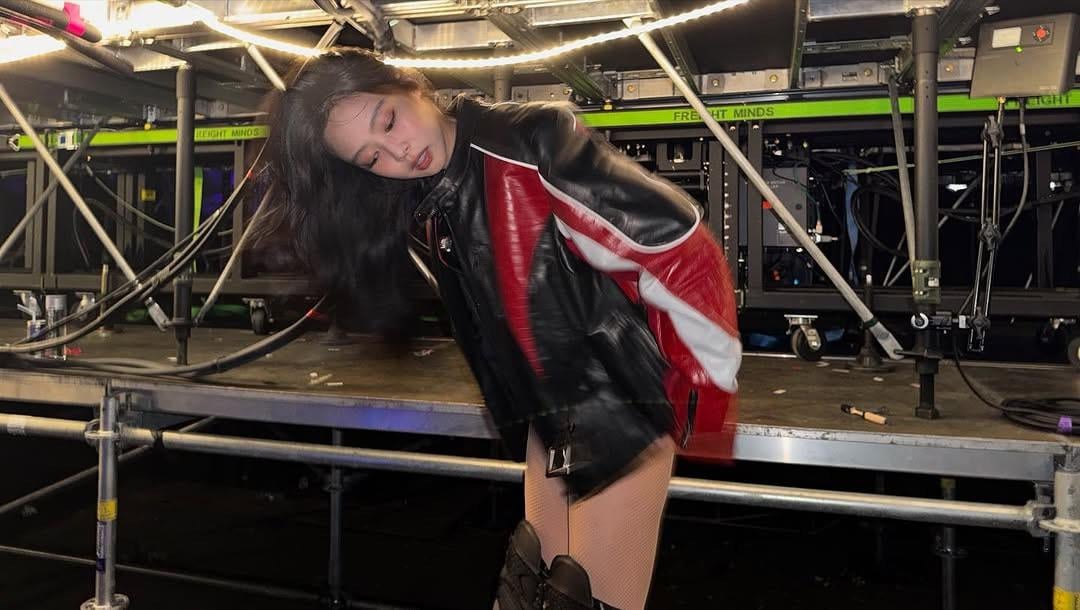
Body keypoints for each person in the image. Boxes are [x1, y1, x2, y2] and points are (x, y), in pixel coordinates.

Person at [261, 48, 741, 610]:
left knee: (582, 602)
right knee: (527, 590)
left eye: (388, 122)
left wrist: (706, 388)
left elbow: (678, 244)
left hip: (618, 406)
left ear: (408, 84)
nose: (398, 152)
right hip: (550, 415)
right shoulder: (435, 197)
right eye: (372, 158)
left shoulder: (527, 143)